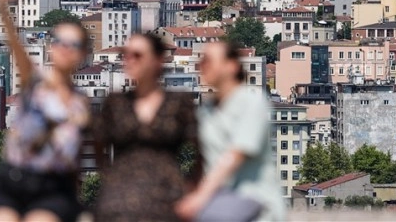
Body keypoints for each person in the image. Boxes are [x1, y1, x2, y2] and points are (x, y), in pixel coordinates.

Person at [0, 0, 90, 222]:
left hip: (54, 188)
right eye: (59, 41)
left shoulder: (81, 103)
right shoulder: (35, 81)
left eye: (73, 44)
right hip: (14, 181)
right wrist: (3, 5)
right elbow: (16, 45)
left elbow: (76, 158)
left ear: (82, 53)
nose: (64, 48)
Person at [93, 33, 200, 222]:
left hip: (166, 198)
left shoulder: (178, 102)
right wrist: (109, 180)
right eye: (126, 55)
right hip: (119, 198)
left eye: (138, 55)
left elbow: (200, 149)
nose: (129, 60)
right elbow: (98, 146)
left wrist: (191, 190)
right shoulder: (115, 102)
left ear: (158, 60)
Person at [176, 41, 286, 222]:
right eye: (201, 61)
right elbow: (202, 162)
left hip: (252, 197)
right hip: (218, 198)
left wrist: (200, 198)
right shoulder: (206, 110)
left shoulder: (252, 102)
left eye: (209, 60)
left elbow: (235, 155)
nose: (202, 66)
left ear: (231, 66)